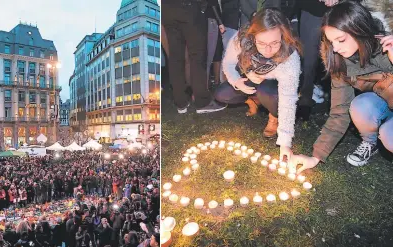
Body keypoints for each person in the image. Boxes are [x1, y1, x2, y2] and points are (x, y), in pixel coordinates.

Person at [292, 1, 393, 169]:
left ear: (359, 30)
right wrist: (316, 156)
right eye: (332, 42)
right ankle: (371, 142)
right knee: (361, 106)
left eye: (341, 40)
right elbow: (339, 111)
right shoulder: (341, 64)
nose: (336, 48)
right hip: (384, 103)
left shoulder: (387, 48)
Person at [213, 8, 302, 161]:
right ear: (253, 37)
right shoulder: (241, 38)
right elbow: (228, 63)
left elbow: (288, 101)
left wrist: (285, 143)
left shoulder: (290, 56)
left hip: (272, 87)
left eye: (275, 43)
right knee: (221, 94)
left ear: (283, 36)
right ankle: (253, 100)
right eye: (262, 43)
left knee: (268, 91)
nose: (268, 50)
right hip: (250, 80)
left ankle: (274, 117)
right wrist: (236, 81)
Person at [163, 0, 227, 114]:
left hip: (167, 9)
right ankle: (202, 102)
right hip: (189, 8)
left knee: (175, 57)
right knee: (198, 56)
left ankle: (180, 103)